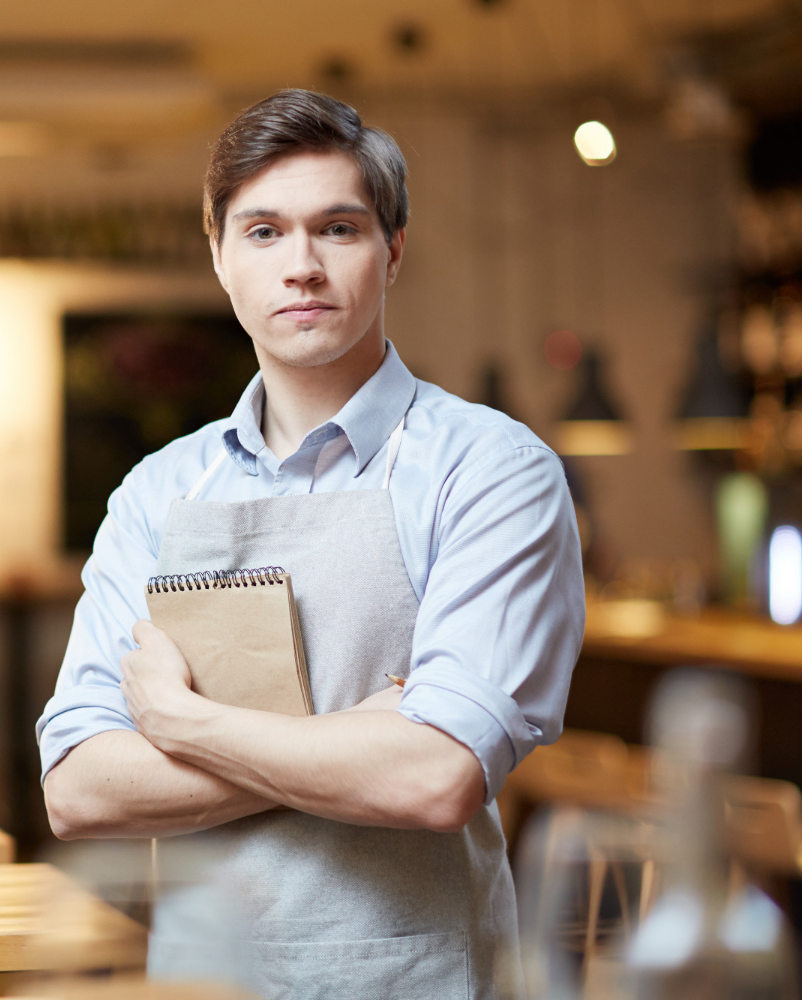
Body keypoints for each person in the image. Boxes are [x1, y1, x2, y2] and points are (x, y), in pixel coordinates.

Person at [37, 90, 583, 999]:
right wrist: (358, 738)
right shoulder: (158, 493)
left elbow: (437, 780)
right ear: (217, 255)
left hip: (422, 978)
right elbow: (80, 790)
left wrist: (185, 726)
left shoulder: (491, 472)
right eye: (262, 232)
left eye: (338, 228)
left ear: (393, 251)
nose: (301, 266)